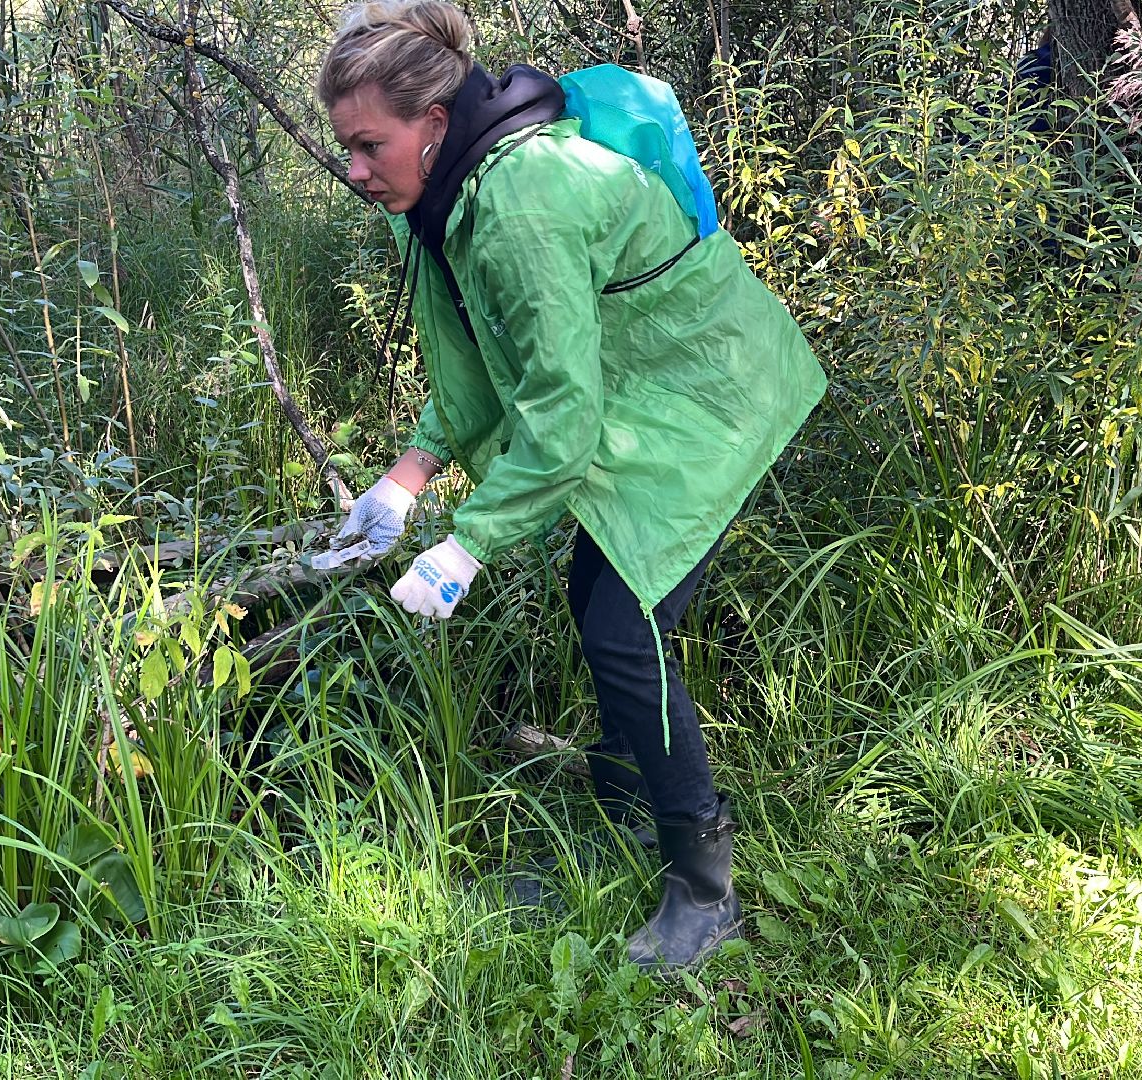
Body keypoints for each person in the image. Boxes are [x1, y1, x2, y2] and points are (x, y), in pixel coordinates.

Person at [313, 0, 826, 975]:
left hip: (710, 394)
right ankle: (627, 820)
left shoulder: (521, 203)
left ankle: (703, 887)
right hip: (642, 400)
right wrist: (407, 475)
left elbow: (559, 413)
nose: (355, 170)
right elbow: (473, 375)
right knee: (603, 603)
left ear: (429, 121)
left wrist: (466, 544)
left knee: (623, 625)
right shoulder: (433, 203)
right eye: (347, 147)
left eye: (369, 145)